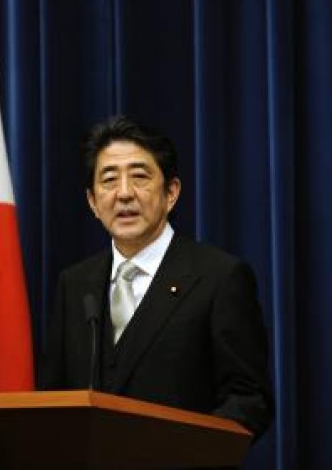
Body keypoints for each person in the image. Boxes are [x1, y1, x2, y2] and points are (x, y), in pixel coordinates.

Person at [38, 115, 273, 440]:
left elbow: (249, 399)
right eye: (108, 179)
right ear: (93, 201)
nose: (124, 194)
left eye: (139, 177)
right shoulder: (75, 283)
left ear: (171, 193)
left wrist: (187, 452)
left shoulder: (219, 277)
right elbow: (55, 397)